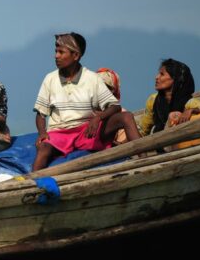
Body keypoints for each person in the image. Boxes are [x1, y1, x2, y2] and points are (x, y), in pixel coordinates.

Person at [32, 32, 141, 171]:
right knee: (43, 149)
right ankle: (30, 185)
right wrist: (42, 133)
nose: (56, 56)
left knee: (126, 117)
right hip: (59, 133)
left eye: (61, 52)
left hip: (86, 131)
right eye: (55, 51)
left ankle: (144, 156)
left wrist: (98, 118)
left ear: (76, 56)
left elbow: (114, 106)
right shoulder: (50, 79)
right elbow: (41, 114)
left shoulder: (92, 78)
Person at [138, 59, 200, 137]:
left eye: (162, 74)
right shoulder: (153, 100)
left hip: (176, 144)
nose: (157, 77)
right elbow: (143, 131)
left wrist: (192, 110)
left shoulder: (188, 102)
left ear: (175, 79)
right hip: (154, 143)